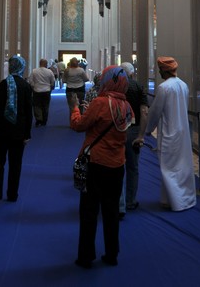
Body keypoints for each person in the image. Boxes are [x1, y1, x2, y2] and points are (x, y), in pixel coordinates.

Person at [70, 65, 134, 268]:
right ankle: (112, 253)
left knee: (89, 210)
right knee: (111, 211)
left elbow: (79, 125)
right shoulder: (126, 106)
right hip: (117, 164)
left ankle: (86, 256)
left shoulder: (100, 102)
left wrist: (75, 109)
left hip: (96, 162)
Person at [136, 56, 196, 211]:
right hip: (183, 132)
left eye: (160, 70)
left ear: (165, 70)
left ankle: (177, 202)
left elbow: (156, 111)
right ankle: (179, 199)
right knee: (182, 167)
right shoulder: (183, 85)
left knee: (169, 169)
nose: (159, 73)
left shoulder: (164, 88)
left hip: (170, 131)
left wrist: (147, 130)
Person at [0, 54, 32, 204]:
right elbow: (28, 111)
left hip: (2, 130)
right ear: (22, 67)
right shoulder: (25, 86)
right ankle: (12, 194)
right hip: (18, 131)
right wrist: (27, 133)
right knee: (15, 165)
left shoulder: (3, 84)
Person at [119, 62, 149, 216]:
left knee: (116, 167)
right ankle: (130, 201)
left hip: (117, 131)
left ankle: (119, 204)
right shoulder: (138, 86)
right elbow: (144, 112)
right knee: (133, 167)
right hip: (134, 129)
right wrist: (141, 135)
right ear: (132, 73)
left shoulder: (116, 86)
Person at [28, 58, 55, 126]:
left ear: (40, 64)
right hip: (46, 91)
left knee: (37, 106)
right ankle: (44, 120)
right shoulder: (49, 71)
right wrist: (51, 87)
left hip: (37, 91)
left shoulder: (34, 71)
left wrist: (33, 86)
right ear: (46, 64)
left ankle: (39, 119)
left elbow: (30, 80)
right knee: (45, 106)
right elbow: (53, 81)